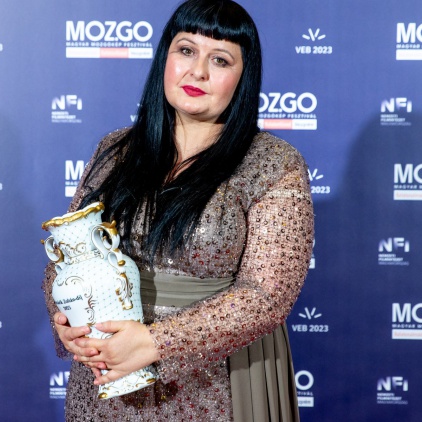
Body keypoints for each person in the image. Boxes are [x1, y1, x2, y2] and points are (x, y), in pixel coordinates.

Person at [42, 0, 314, 420]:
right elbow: (66, 255)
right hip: (103, 381)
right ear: (165, 58)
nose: (197, 71)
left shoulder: (274, 163)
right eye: (186, 50)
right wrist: (65, 319)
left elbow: (266, 297)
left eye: (220, 60)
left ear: (244, 77)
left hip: (212, 386)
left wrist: (156, 343)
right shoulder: (116, 150)